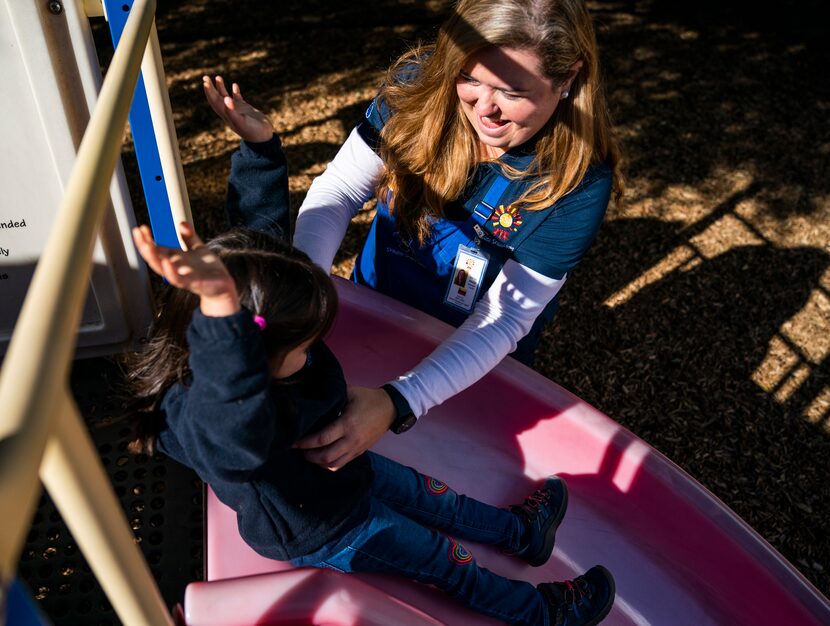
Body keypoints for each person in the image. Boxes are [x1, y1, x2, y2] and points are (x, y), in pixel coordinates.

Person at [124, 220, 616, 625]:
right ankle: (541, 613)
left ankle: (519, 533)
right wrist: (222, 320)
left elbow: (266, 260)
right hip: (327, 524)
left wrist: (260, 153)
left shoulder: (263, 334)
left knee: (435, 496)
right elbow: (237, 441)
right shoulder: (220, 417)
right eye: (301, 349)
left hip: (340, 461)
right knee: (445, 562)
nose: (312, 354)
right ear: (249, 359)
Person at [204, 0, 624, 473]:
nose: (484, 108)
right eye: (470, 79)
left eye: (510, 91)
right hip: (377, 303)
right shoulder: (419, 86)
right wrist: (308, 296)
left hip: (471, 349)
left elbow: (504, 320)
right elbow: (340, 190)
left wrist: (400, 402)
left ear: (568, 78)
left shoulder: (579, 180)